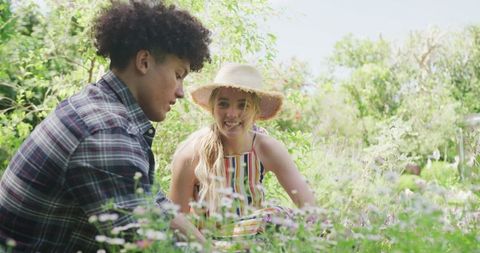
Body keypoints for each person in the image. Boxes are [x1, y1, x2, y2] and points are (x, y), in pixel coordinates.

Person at [0, 1, 211, 252]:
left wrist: (209, 248)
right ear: (144, 61)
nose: (180, 92)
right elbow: (150, 246)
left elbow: (155, 204)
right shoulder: (106, 132)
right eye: (178, 75)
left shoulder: (98, 107)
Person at [166, 63, 316, 242]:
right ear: (213, 108)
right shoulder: (191, 154)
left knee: (277, 217)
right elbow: (175, 219)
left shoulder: (266, 148)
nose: (231, 113)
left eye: (242, 105)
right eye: (223, 104)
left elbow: (310, 209)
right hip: (207, 245)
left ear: (255, 111)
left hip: (255, 242)